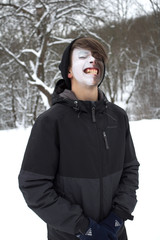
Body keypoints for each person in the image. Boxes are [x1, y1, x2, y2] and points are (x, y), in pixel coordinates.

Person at [18, 37, 139, 240]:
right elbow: (34, 185)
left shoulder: (118, 117)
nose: (93, 60)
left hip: (115, 234)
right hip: (68, 236)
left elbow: (130, 170)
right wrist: (83, 227)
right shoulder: (50, 122)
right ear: (69, 71)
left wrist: (118, 217)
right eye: (83, 56)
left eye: (98, 57)